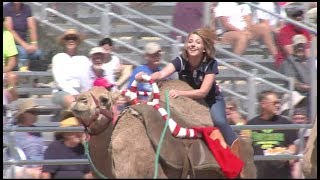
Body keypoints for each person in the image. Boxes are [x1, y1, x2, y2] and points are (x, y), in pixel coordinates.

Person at [135, 28, 240, 149]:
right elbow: (161, 74)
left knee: (219, 121)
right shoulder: (180, 60)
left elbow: (203, 92)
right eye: (190, 41)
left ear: (204, 47)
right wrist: (146, 77)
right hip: (188, 100)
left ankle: (235, 148)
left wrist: (179, 93)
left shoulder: (211, 64)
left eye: (197, 42)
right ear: (186, 45)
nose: (193, 45)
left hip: (211, 100)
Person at [246, 90, 297, 179]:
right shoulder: (251, 124)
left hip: (281, 172)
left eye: (279, 102)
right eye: (275, 103)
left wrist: (288, 155)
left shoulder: (285, 123)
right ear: (263, 104)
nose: (278, 105)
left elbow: (292, 145)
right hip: (259, 172)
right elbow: (245, 145)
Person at [41, 110, 93, 179]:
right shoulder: (55, 147)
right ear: (65, 134)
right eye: (74, 130)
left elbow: (89, 173)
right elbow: (46, 174)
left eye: (79, 130)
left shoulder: (84, 148)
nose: (79, 133)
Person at [4, 98, 45, 178]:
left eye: (37, 113)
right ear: (23, 114)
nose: (35, 115)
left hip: (38, 166)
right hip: (20, 167)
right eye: (32, 112)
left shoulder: (37, 131)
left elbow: (39, 151)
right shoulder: (12, 130)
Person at [51, 29, 91, 109]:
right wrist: (75, 94)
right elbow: (60, 81)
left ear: (77, 42)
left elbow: (87, 80)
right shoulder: (58, 58)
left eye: (74, 38)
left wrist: (85, 94)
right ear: (64, 41)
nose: (71, 40)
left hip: (81, 92)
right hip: (61, 91)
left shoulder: (84, 59)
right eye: (68, 38)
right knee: (72, 101)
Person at [3, 2, 42, 71]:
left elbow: (32, 27)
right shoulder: (6, 8)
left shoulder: (27, 8)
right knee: (23, 52)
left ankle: (34, 77)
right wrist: (24, 45)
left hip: (23, 43)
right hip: (11, 43)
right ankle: (23, 75)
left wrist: (34, 44)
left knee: (38, 53)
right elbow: (10, 29)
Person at [275, 2, 312, 69]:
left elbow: (308, 53)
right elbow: (290, 52)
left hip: (302, 61)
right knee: (296, 60)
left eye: (300, 14)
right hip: (286, 62)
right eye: (295, 15)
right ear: (290, 17)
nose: (298, 17)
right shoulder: (284, 31)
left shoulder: (306, 31)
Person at [3, 17, 19, 104]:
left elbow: (12, 61)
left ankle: (7, 107)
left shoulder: (7, 35)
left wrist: (4, 70)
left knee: (12, 77)